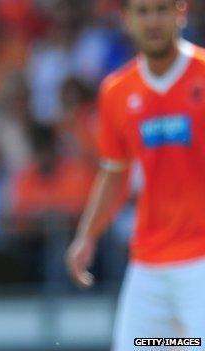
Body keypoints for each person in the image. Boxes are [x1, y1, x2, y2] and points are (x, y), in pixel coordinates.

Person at [65, 0, 205, 349]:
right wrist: (87, 235)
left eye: (161, 9)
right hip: (148, 265)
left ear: (180, 12)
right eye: (142, 11)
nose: (152, 20)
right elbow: (114, 172)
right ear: (127, 20)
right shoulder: (116, 90)